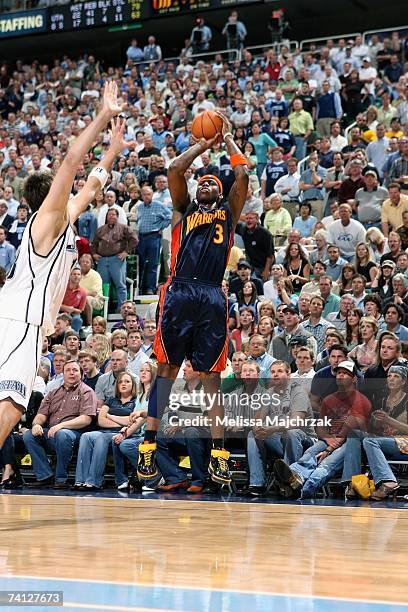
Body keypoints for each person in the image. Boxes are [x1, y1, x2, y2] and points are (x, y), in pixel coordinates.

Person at [0, 82, 125, 453]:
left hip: (20, 316)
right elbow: (72, 162)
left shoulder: (64, 219)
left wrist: (113, 152)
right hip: (22, 317)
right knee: (13, 399)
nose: (72, 193)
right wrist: (103, 115)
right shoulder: (48, 219)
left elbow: (91, 184)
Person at [137, 114, 249, 485]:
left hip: (213, 293)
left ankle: (218, 455)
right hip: (180, 289)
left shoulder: (228, 213)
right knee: (166, 371)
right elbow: (174, 168)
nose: (204, 183)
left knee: (211, 376)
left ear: (219, 192)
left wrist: (228, 139)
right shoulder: (184, 209)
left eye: (211, 182)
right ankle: (148, 446)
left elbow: (243, 177)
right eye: (201, 181)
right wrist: (203, 144)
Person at [273, 360, 371, 499]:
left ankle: (304, 490)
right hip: (330, 440)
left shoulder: (361, 400)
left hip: (351, 444)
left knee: (326, 464)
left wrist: (328, 449)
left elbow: (351, 427)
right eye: (339, 373)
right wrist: (327, 440)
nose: (340, 376)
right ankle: (293, 476)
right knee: (310, 452)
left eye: (345, 373)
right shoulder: (328, 400)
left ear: (354, 378)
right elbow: (320, 427)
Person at [22, 360, 97, 488]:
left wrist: (61, 425)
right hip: (53, 433)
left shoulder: (87, 392)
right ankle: (45, 476)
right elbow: (41, 415)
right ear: (63, 374)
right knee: (29, 435)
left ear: (81, 374)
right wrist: (36, 425)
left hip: (75, 434)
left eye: (75, 370)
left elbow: (86, 419)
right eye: (68, 370)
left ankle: (61, 478)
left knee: (63, 434)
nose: (71, 373)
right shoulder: (53, 392)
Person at [73, 371, 138, 491]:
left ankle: (94, 481)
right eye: (120, 382)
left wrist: (110, 416)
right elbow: (101, 421)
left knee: (101, 438)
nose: (123, 384)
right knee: (86, 436)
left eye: (127, 381)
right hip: (104, 430)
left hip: (124, 433)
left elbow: (131, 422)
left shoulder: (136, 401)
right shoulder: (111, 400)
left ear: (133, 385)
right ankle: (80, 480)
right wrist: (120, 420)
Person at [92, 208, 138, 308]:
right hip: (102, 261)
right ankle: (103, 309)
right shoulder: (101, 229)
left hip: (117, 259)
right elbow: (94, 243)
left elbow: (134, 239)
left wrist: (126, 251)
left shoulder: (124, 228)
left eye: (114, 215)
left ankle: (122, 308)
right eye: (109, 215)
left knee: (120, 285)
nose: (111, 216)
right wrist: (94, 254)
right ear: (106, 216)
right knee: (102, 286)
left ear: (117, 216)